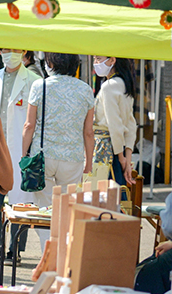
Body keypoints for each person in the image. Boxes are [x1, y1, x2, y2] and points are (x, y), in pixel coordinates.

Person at [0, 49, 40, 265]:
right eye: (5, 50)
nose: (9, 54)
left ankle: (15, 250)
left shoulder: (34, 81)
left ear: (23, 52)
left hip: (21, 150)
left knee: (20, 202)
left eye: (14, 50)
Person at [22, 52, 96, 207]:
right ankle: (63, 232)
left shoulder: (40, 86)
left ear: (51, 64)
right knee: (68, 206)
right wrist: (89, 162)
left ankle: (47, 232)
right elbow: (88, 132)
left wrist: (24, 156)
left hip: (43, 155)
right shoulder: (86, 90)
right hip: (72, 157)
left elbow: (29, 125)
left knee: (43, 206)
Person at [91, 55, 138, 189]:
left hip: (105, 149)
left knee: (99, 194)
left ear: (112, 60)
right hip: (119, 148)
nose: (96, 63)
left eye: (98, 59)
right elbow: (130, 124)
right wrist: (127, 158)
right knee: (116, 195)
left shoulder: (108, 86)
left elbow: (114, 124)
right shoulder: (125, 84)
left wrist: (121, 158)